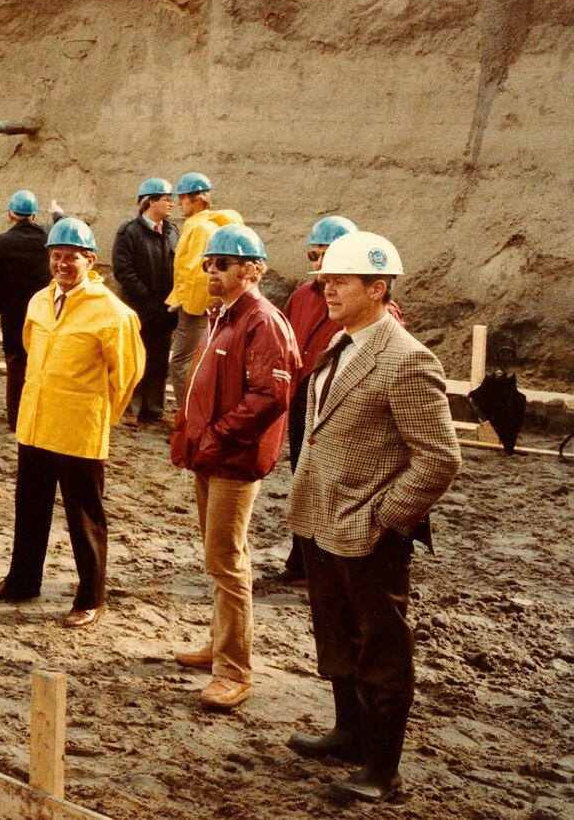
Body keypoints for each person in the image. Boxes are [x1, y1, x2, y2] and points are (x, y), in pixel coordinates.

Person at [286, 231, 460, 803]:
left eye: (339, 281)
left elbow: (438, 458)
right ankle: (348, 734)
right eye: (325, 280)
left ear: (377, 287)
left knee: (382, 647)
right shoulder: (344, 343)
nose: (325, 289)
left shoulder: (408, 359)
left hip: (369, 529)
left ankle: (383, 770)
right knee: (337, 633)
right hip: (322, 518)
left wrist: (386, 517)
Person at [0, 218, 143, 626]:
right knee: (29, 507)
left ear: (91, 260)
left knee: (84, 515)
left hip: (78, 428)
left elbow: (127, 375)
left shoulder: (112, 313)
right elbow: (33, 351)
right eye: (56, 256)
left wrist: (100, 415)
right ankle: (22, 581)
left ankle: (90, 597)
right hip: (35, 422)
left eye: (72, 256)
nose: (63, 264)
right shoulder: (38, 301)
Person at [168, 225, 300, 711]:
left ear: (251, 269)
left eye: (221, 264)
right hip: (213, 454)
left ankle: (235, 670)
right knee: (217, 554)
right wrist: (193, 437)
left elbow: (271, 395)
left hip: (233, 459)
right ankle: (221, 645)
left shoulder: (262, 322)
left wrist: (217, 435)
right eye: (208, 264)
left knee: (227, 560)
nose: (212, 273)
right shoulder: (223, 317)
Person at [278, 216, 393, 584]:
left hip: (343, 403)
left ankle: (329, 561)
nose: (317, 265)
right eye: (314, 255)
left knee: (335, 484)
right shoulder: (302, 296)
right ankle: (302, 561)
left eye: (326, 255)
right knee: (303, 476)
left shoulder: (373, 307)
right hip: (304, 399)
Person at [166, 171, 243, 415]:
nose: (179, 202)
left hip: (195, 306)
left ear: (198, 200)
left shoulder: (201, 228)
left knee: (180, 363)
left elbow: (198, 272)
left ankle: (186, 415)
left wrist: (189, 305)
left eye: (184, 197)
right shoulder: (205, 224)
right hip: (197, 303)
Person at [112, 177, 179, 425]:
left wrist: (169, 302)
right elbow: (124, 271)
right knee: (135, 359)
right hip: (138, 309)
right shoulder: (129, 232)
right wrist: (148, 300)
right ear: (151, 201)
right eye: (167, 199)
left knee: (159, 361)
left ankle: (153, 409)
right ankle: (131, 409)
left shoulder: (173, 232)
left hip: (165, 310)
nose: (172, 203)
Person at [0, 189, 50, 428]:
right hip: (45, 314)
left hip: (14, 316)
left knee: (16, 366)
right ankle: (38, 417)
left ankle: (16, 418)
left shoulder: (1, 243)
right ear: (34, 215)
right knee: (41, 365)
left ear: (11, 214)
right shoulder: (48, 238)